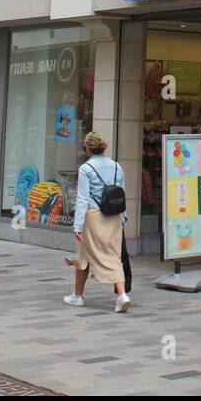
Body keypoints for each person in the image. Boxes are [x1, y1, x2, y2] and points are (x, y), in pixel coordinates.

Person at [63, 132, 131, 312]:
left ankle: (120, 295)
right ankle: (80, 295)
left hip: (93, 217)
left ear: (88, 149)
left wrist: (77, 225)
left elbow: (82, 199)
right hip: (114, 217)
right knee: (105, 254)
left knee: (102, 256)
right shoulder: (117, 166)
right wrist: (123, 218)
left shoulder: (86, 169)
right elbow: (122, 194)